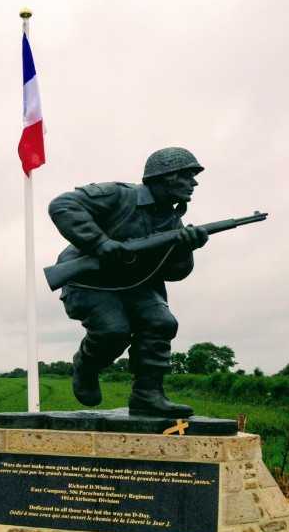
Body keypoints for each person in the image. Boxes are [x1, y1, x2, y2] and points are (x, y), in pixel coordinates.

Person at [48, 147, 209, 417]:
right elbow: (62, 205)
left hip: (135, 287)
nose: (194, 183)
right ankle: (86, 366)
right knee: (113, 331)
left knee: (162, 322)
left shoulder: (173, 221)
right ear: (166, 176)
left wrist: (185, 249)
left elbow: (175, 273)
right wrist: (99, 242)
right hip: (90, 282)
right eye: (187, 176)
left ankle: (148, 395)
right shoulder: (119, 195)